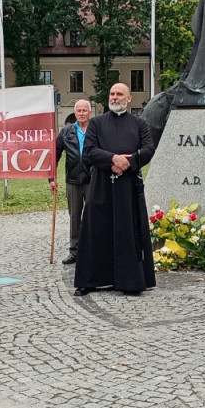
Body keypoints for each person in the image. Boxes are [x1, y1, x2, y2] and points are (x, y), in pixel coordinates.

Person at [73, 83, 156, 296]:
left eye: (120, 94)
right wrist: (112, 158)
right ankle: (90, 279)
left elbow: (148, 149)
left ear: (129, 99)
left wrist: (129, 162)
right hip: (101, 185)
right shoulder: (97, 123)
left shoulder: (139, 124)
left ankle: (130, 281)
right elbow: (90, 151)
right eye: (112, 94)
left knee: (129, 231)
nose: (115, 97)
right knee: (95, 230)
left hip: (128, 187)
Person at [49, 99, 92, 265]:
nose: (81, 113)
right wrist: (51, 178)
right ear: (75, 113)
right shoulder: (66, 132)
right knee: (74, 217)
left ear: (89, 112)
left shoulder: (96, 130)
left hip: (91, 179)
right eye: (79, 111)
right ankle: (74, 251)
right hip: (72, 180)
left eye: (84, 110)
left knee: (92, 216)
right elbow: (55, 155)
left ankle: (93, 249)